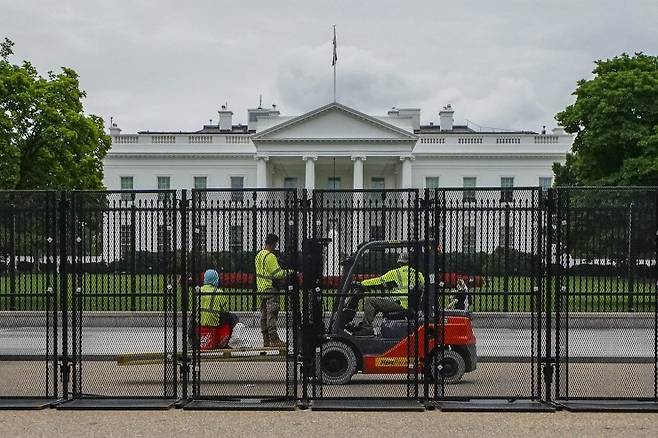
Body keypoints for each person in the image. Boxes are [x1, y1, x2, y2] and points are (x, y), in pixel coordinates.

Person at [352, 252, 425, 336]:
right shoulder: (418, 274)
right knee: (378, 303)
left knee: (370, 301)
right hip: (411, 305)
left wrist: (362, 283)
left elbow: (378, 280)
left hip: (399, 304)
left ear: (399, 262)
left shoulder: (395, 273)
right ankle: (363, 324)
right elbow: (422, 286)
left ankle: (366, 328)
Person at [255, 233, 295, 348]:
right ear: (273, 244)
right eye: (275, 244)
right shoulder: (270, 256)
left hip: (261, 289)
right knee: (271, 314)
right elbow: (277, 274)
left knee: (264, 314)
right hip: (270, 288)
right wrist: (290, 272)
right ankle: (274, 339)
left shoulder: (258, 256)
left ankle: (266, 340)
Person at [197, 269, 241, 350]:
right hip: (213, 322)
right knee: (231, 317)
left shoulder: (199, 290)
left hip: (199, 321)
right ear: (216, 279)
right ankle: (224, 340)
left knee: (193, 316)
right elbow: (224, 310)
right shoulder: (219, 292)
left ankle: (190, 340)